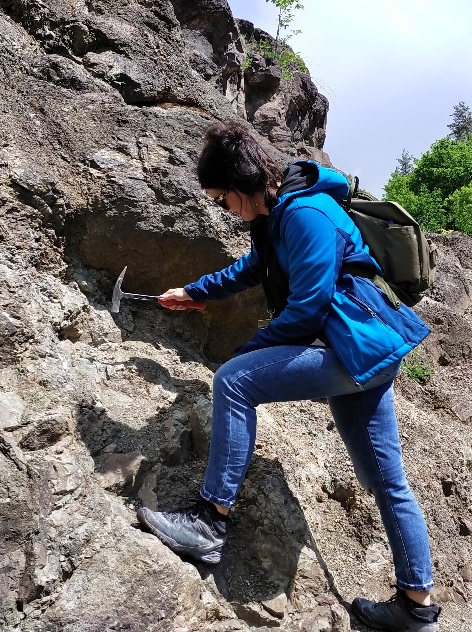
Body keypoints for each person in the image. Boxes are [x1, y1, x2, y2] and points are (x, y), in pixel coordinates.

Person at [136, 120, 441, 632]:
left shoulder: (306, 214)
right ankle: (418, 609)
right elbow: (255, 268)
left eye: (222, 199)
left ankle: (210, 521)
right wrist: (197, 291)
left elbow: (309, 306)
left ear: (243, 183)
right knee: (390, 484)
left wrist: (248, 351)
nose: (224, 209)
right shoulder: (281, 214)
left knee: (234, 381)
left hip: (352, 347)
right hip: (362, 352)